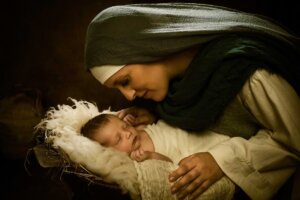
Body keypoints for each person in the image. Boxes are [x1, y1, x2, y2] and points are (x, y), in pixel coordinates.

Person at [84, 3, 300, 200]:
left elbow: (292, 137)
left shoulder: (248, 73)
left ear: (146, 49)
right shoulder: (174, 86)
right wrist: (156, 114)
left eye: (126, 81)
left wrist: (220, 162)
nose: (129, 96)